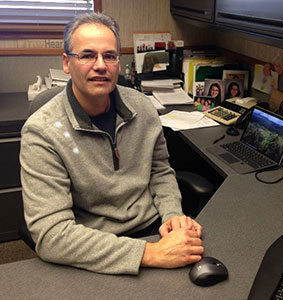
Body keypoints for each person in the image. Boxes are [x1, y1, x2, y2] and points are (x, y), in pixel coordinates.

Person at [20, 12, 204, 275]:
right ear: (66, 63)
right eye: (87, 55)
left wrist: (173, 216)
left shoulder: (142, 106)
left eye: (109, 56)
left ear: (119, 62)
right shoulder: (41, 132)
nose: (100, 65)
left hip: (154, 232)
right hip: (95, 248)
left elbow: (160, 170)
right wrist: (149, 254)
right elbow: (52, 236)